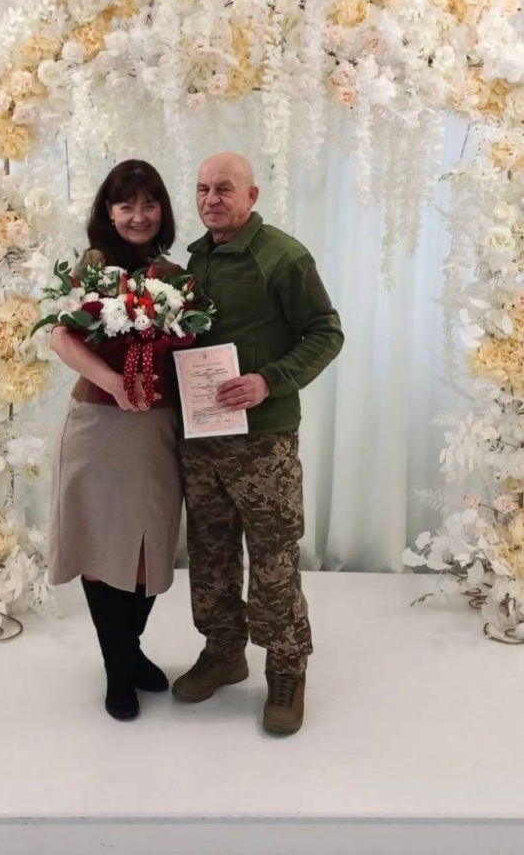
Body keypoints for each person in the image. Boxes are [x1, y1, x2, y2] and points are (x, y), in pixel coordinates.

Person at [172, 152, 344, 735]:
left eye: (224, 188)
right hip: (202, 437)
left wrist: (270, 380)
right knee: (211, 550)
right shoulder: (195, 259)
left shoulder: (283, 257)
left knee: (273, 555)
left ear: (252, 196)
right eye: (202, 188)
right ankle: (223, 651)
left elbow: (326, 332)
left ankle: (287, 668)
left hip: (262, 440)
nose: (211, 199)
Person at [48, 158, 183, 722]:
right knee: (102, 547)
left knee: (147, 550)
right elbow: (61, 337)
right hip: (99, 425)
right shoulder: (93, 268)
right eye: (127, 205)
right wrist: (113, 381)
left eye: (149, 204)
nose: (138, 215)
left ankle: (128, 651)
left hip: (156, 427)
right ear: (108, 211)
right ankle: (119, 671)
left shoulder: (175, 276)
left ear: (163, 211)